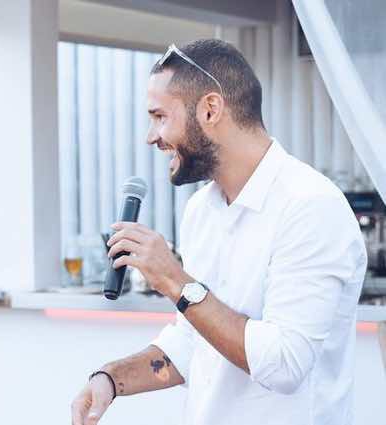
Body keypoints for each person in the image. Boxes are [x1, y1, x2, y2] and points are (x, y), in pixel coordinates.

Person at [71, 39, 366, 425]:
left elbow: (285, 365)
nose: (150, 136)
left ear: (210, 109)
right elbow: (194, 343)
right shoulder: (201, 210)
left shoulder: (309, 205)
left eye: (160, 116)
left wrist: (175, 280)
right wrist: (112, 378)